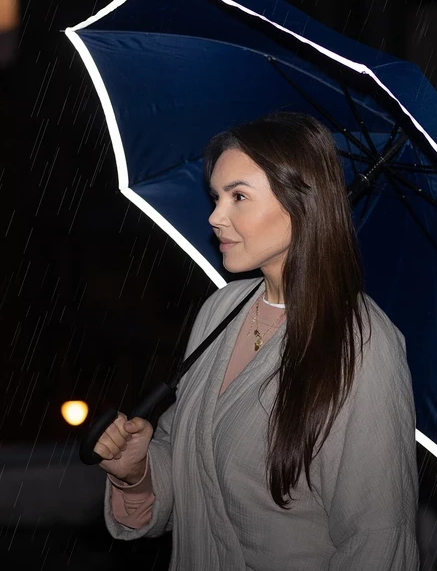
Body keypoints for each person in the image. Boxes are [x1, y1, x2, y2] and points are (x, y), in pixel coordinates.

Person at [93, 112, 419, 570]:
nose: (214, 216)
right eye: (216, 197)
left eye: (238, 197)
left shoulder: (361, 344)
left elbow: (377, 541)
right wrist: (137, 471)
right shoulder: (220, 310)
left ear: (300, 203)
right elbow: (194, 461)